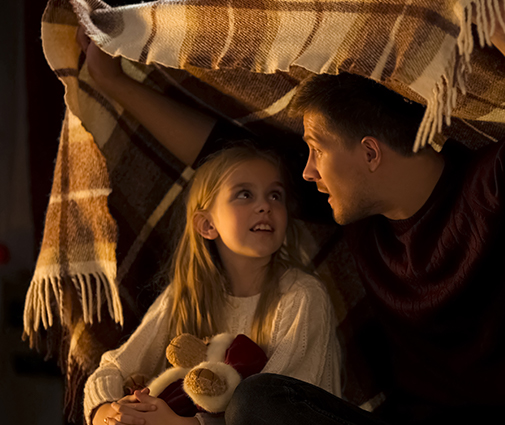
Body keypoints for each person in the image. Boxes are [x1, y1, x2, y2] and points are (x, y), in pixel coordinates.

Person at [79, 1, 505, 422]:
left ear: (370, 154)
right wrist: (111, 81)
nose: (305, 173)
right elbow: (220, 155)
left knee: (251, 401)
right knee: (260, 402)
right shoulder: (357, 212)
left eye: (314, 150)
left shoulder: (485, 184)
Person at [81, 142, 342, 425]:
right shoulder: (185, 294)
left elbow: (274, 410)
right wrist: (110, 413)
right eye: (245, 194)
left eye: (275, 195)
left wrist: (179, 424)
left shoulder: (302, 296)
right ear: (207, 225)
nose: (265, 206)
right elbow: (112, 369)